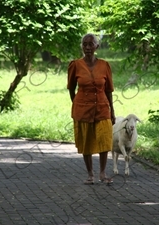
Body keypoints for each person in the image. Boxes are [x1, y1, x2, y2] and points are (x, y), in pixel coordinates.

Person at [67, 33, 116, 185]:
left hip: (102, 108)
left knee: (104, 139)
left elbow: (108, 90)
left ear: (97, 46)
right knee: (86, 141)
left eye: (91, 44)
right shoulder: (75, 65)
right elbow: (71, 88)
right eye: (85, 44)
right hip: (83, 109)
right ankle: (90, 174)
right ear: (82, 46)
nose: (88, 47)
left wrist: (112, 110)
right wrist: (77, 104)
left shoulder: (104, 65)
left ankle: (102, 172)